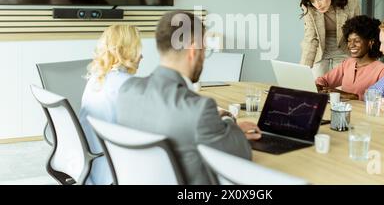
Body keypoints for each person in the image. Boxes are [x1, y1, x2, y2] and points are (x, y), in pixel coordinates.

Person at [115, 10, 261, 185]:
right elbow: (242, 152)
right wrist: (229, 121)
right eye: (204, 50)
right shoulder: (199, 109)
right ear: (193, 51)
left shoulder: (127, 91)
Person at [79, 25, 143, 185]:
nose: (142, 55)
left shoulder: (95, 79)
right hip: (113, 170)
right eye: (138, 48)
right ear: (127, 51)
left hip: (90, 166)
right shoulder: (129, 86)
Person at [300, 0, 361, 78]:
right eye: (313, 1)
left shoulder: (350, 2)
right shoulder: (309, 8)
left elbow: (357, 33)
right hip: (321, 50)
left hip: (345, 47)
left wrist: (359, 60)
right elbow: (311, 38)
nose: (317, 5)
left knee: (341, 89)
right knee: (316, 85)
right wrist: (303, 70)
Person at [316, 15, 384, 100]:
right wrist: (318, 86)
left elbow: (383, 99)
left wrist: (352, 96)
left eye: (357, 41)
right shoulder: (348, 63)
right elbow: (324, 80)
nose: (351, 45)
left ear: (370, 42)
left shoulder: (382, 70)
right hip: (343, 111)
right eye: (349, 41)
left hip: (364, 113)